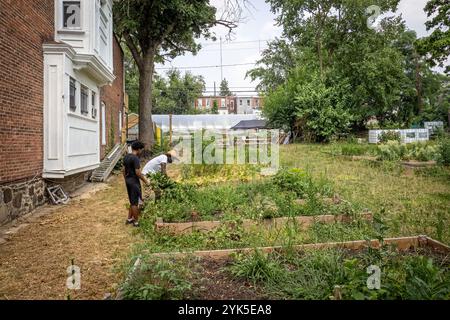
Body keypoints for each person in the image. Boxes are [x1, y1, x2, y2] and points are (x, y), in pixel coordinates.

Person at [123, 141, 149, 227]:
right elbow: (137, 172)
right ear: (138, 149)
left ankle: (129, 219)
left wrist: (126, 179)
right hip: (134, 182)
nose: (141, 151)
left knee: (132, 200)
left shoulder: (126, 157)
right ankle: (136, 222)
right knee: (135, 202)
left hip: (128, 180)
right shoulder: (135, 158)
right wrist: (146, 181)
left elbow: (123, 170)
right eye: (141, 150)